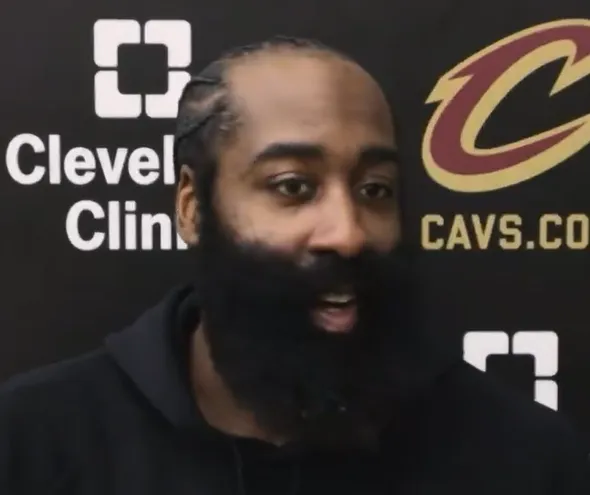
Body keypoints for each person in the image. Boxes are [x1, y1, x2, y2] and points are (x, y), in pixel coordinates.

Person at [0, 36, 588, 495]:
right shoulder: (31, 445)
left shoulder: (523, 460)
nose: (348, 233)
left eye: (375, 189)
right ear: (192, 208)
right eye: (293, 186)